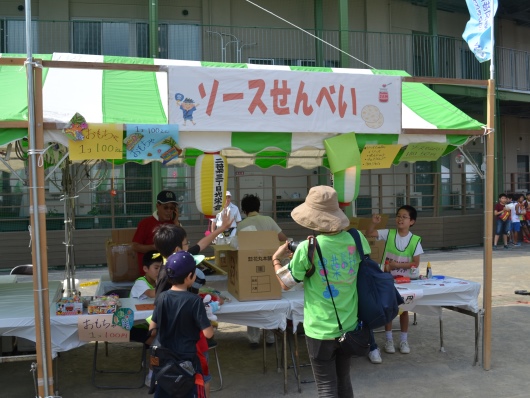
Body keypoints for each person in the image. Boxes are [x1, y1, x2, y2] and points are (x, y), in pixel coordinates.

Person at [272, 186, 371, 398]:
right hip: (349, 325)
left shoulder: (308, 248)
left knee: (326, 386)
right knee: (344, 381)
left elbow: (286, 283)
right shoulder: (356, 238)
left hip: (319, 329)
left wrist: (276, 260)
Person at [148, 251, 214, 398]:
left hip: (165, 360)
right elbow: (208, 333)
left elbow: (152, 329)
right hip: (187, 360)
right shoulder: (194, 301)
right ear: (190, 277)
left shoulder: (162, 297)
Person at [365, 205, 423, 360]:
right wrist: (374, 223)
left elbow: (415, 263)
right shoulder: (389, 234)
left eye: (404, 217)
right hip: (388, 280)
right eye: (398, 216)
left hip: (405, 281)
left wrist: (397, 265)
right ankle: (389, 340)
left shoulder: (415, 240)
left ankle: (403, 341)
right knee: (389, 308)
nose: (400, 219)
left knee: (404, 309)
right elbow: (369, 233)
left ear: (412, 221)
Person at [237, 194, 288, 348]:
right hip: (270, 263)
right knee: (269, 298)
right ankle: (270, 336)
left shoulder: (241, 225)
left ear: (244, 209)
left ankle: (254, 339)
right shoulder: (268, 220)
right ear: (258, 207)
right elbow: (283, 237)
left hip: (249, 265)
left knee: (253, 300)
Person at [132, 190, 182, 275]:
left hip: (170, 272)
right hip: (150, 274)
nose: (169, 211)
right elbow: (135, 246)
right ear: (158, 206)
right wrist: (154, 247)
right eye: (166, 207)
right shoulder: (145, 223)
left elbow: (182, 244)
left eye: (172, 208)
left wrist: (176, 222)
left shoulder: (174, 224)